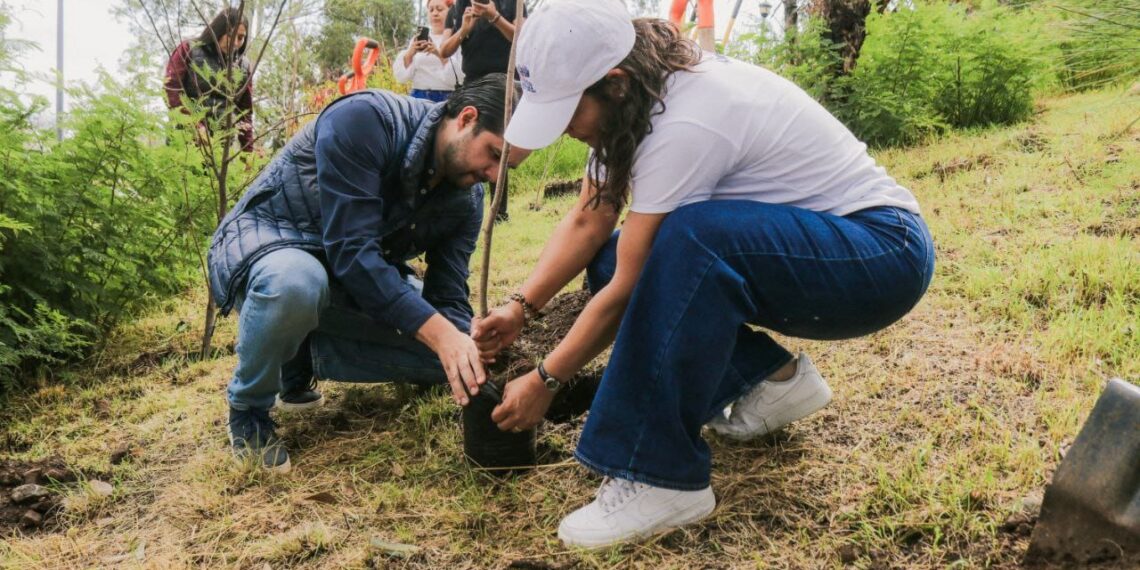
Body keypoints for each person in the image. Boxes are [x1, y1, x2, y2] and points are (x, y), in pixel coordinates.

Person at [472, 0, 936, 548]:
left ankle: (658, 474)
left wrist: (548, 379)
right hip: (825, 250)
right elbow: (589, 220)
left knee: (690, 237)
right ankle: (770, 382)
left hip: (880, 258)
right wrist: (520, 307)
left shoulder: (686, 119)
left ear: (614, 83)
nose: (566, 130)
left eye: (570, 112)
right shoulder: (632, 108)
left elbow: (627, 292)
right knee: (618, 253)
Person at [207, 74, 528, 473]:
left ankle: (301, 355)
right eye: (494, 154)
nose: (496, 176)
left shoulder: (468, 199)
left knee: (448, 363)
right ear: (466, 118)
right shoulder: (366, 119)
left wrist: (469, 344)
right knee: (295, 283)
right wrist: (443, 336)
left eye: (506, 168)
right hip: (273, 246)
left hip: (345, 279)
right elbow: (353, 253)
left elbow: (445, 294)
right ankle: (249, 407)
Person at [439, 0, 526, 221]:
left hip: (505, 82)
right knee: (466, 142)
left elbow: (522, 38)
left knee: (498, 145)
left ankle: (498, 212)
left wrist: (494, 17)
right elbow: (444, 50)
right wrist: (464, 29)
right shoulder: (458, 7)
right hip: (473, 83)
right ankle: (460, 208)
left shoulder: (513, 2)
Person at [164, 7, 255, 153]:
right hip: (184, 143)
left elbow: (245, 112)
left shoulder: (243, 67)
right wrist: (195, 125)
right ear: (219, 30)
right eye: (232, 35)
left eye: (241, 37)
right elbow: (172, 89)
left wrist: (248, 152)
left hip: (220, 150)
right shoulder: (188, 49)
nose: (236, 43)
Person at [394, 0, 465, 103]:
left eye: (439, 9)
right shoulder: (417, 39)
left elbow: (460, 77)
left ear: (451, 12)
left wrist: (440, 54)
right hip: (417, 98)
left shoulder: (457, 39)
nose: (435, 13)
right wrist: (410, 52)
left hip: (447, 99)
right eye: (431, 10)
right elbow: (401, 78)